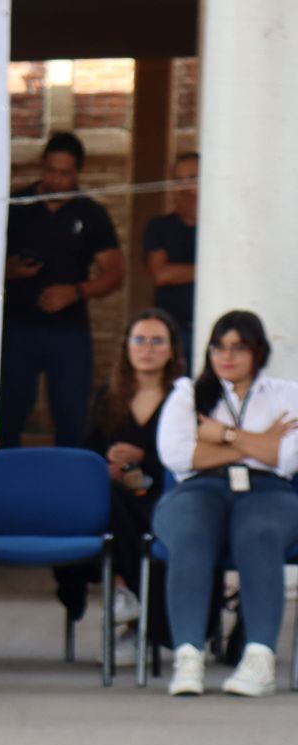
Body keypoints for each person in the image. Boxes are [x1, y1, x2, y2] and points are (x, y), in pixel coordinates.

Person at [153, 311, 298, 697]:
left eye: (239, 348)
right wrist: (257, 443)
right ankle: (188, 655)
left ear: (258, 351)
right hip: (199, 490)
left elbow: (285, 457)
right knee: (190, 533)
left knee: (259, 533)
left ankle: (259, 657)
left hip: (269, 492)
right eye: (219, 347)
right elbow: (178, 453)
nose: (227, 357)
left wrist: (223, 435)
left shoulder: (287, 393)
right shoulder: (187, 392)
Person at [72, 309, 183, 664]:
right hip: (117, 495)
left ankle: (133, 609)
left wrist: (144, 456)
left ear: (170, 350)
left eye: (156, 341)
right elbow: (87, 450)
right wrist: (106, 467)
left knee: (129, 513)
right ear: (126, 347)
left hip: (165, 495)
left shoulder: (184, 397)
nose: (146, 349)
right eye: (139, 340)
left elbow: (190, 453)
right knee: (105, 503)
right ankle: (125, 597)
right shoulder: (108, 395)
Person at [0, 132, 125, 450]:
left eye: (65, 173)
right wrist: (10, 270)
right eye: (50, 170)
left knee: (72, 418)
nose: (56, 179)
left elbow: (114, 273)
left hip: (68, 331)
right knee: (9, 415)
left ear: (78, 173)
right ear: (41, 167)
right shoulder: (16, 205)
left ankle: (70, 489)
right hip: (17, 327)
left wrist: (76, 292)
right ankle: (3, 486)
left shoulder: (91, 214)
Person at [142, 152, 199, 340]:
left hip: (214, 328)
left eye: (192, 179)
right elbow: (161, 274)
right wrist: (208, 270)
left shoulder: (220, 229)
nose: (184, 188)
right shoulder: (159, 226)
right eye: (178, 180)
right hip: (173, 331)